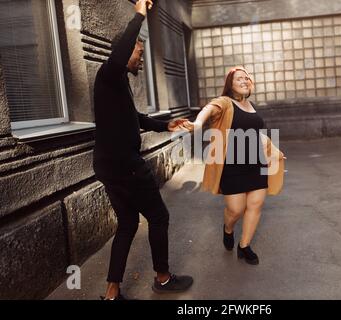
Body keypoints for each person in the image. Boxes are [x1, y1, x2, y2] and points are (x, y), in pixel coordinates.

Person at [93, 0, 193, 300]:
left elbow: (133, 118)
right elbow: (123, 50)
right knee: (159, 217)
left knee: (127, 223)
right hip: (127, 167)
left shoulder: (116, 83)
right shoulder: (109, 73)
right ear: (124, 54)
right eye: (139, 52)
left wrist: (166, 126)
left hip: (110, 166)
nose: (140, 58)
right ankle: (162, 278)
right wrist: (139, 15)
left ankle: (112, 293)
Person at [181, 67, 286, 265]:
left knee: (255, 205)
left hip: (257, 163)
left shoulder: (251, 105)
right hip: (232, 166)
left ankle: (244, 245)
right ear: (230, 83)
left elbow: (256, 134)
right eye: (239, 78)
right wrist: (197, 124)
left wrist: (274, 151)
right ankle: (228, 229)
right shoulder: (225, 102)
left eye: (247, 78)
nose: (245, 80)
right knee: (235, 210)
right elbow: (209, 108)